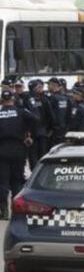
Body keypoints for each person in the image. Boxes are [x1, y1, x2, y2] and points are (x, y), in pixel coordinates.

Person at [0, 91, 33, 220]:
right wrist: (28, 134)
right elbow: (36, 120)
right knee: (17, 180)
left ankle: (3, 210)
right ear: (13, 99)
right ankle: (17, 210)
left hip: (2, 149)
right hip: (18, 149)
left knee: (2, 181)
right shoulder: (21, 111)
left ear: (2, 100)